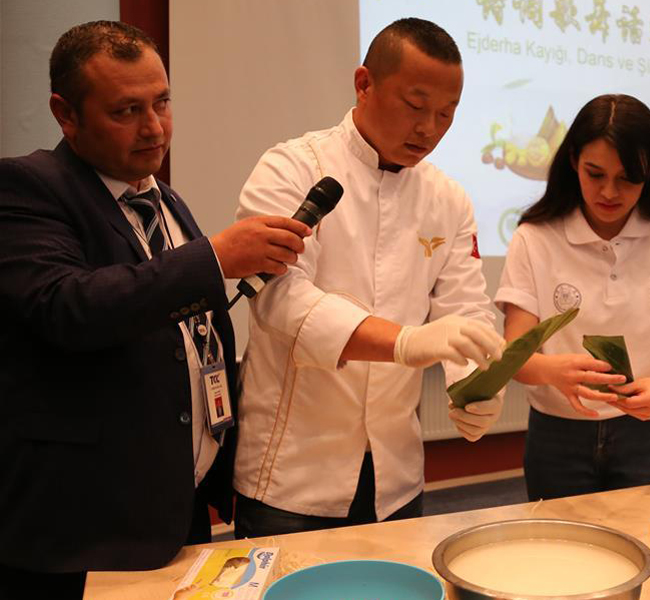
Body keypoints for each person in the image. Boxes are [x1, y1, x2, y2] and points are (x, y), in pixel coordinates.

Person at [0, 21, 309, 599]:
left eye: (162, 102)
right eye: (127, 110)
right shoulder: (26, 187)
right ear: (66, 114)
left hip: (171, 508)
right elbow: (70, 306)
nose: (154, 127)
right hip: (80, 530)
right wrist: (215, 256)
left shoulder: (163, 198)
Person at [232, 18, 506, 537]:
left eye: (446, 114)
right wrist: (404, 342)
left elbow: (465, 309)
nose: (428, 129)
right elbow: (280, 297)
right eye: (415, 106)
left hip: (394, 474)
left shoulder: (448, 199)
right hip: (292, 472)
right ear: (364, 84)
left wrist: (475, 384)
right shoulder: (292, 167)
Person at [495, 94, 650, 501]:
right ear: (573, 162)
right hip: (558, 430)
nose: (609, 192)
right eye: (595, 174)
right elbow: (515, 353)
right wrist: (551, 371)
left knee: (649, 535)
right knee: (560, 538)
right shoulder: (534, 238)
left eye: (627, 178)